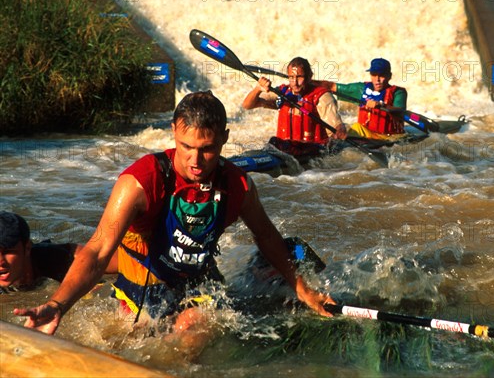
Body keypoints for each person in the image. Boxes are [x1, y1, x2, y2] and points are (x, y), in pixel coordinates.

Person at [14, 91, 335, 337]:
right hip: (139, 294)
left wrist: (303, 289)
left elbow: (266, 236)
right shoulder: (139, 182)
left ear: (224, 137)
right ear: (173, 132)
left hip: (199, 291)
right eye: (186, 146)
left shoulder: (238, 186)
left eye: (207, 148)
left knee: (192, 333)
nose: (196, 160)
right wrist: (58, 305)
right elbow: (97, 251)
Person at [242, 57, 347, 157]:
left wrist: (340, 130)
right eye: (291, 77)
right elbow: (247, 105)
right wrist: (258, 89)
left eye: (299, 77)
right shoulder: (283, 93)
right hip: (285, 150)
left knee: (276, 143)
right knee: (274, 143)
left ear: (309, 76)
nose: (295, 83)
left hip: (312, 151)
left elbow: (336, 127)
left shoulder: (321, 97)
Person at [0, 211, 117, 293]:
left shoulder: (58, 259)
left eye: (8, 251)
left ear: (27, 248)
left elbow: (125, 262)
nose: (1, 261)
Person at [314, 58, 408, 141]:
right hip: (366, 135)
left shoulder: (398, 92)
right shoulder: (361, 89)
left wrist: (380, 105)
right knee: (345, 128)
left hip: (389, 138)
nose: (377, 79)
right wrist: (307, 82)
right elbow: (331, 86)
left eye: (382, 75)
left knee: (356, 127)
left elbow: (400, 111)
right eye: (374, 75)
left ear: (389, 76)